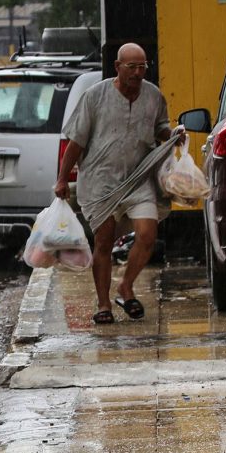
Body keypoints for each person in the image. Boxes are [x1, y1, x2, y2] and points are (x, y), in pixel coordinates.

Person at [54, 43, 184, 324]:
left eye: (142, 67)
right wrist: (62, 178)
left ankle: (126, 287)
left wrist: (172, 134)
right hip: (100, 182)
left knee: (148, 234)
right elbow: (76, 141)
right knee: (103, 241)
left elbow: (159, 126)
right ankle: (103, 304)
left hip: (138, 178)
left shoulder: (153, 95)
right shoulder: (95, 96)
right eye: (132, 67)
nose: (138, 73)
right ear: (118, 67)